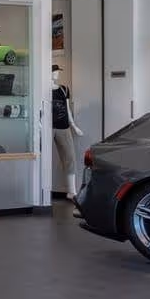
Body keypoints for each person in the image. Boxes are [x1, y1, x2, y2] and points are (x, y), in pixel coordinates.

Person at [51, 64, 86, 199]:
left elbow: (67, 109)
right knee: (42, 159)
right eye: (55, 72)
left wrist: (73, 126)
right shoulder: (43, 90)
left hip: (63, 126)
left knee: (69, 158)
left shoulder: (64, 89)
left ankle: (72, 191)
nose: (57, 74)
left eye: (58, 72)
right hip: (48, 127)